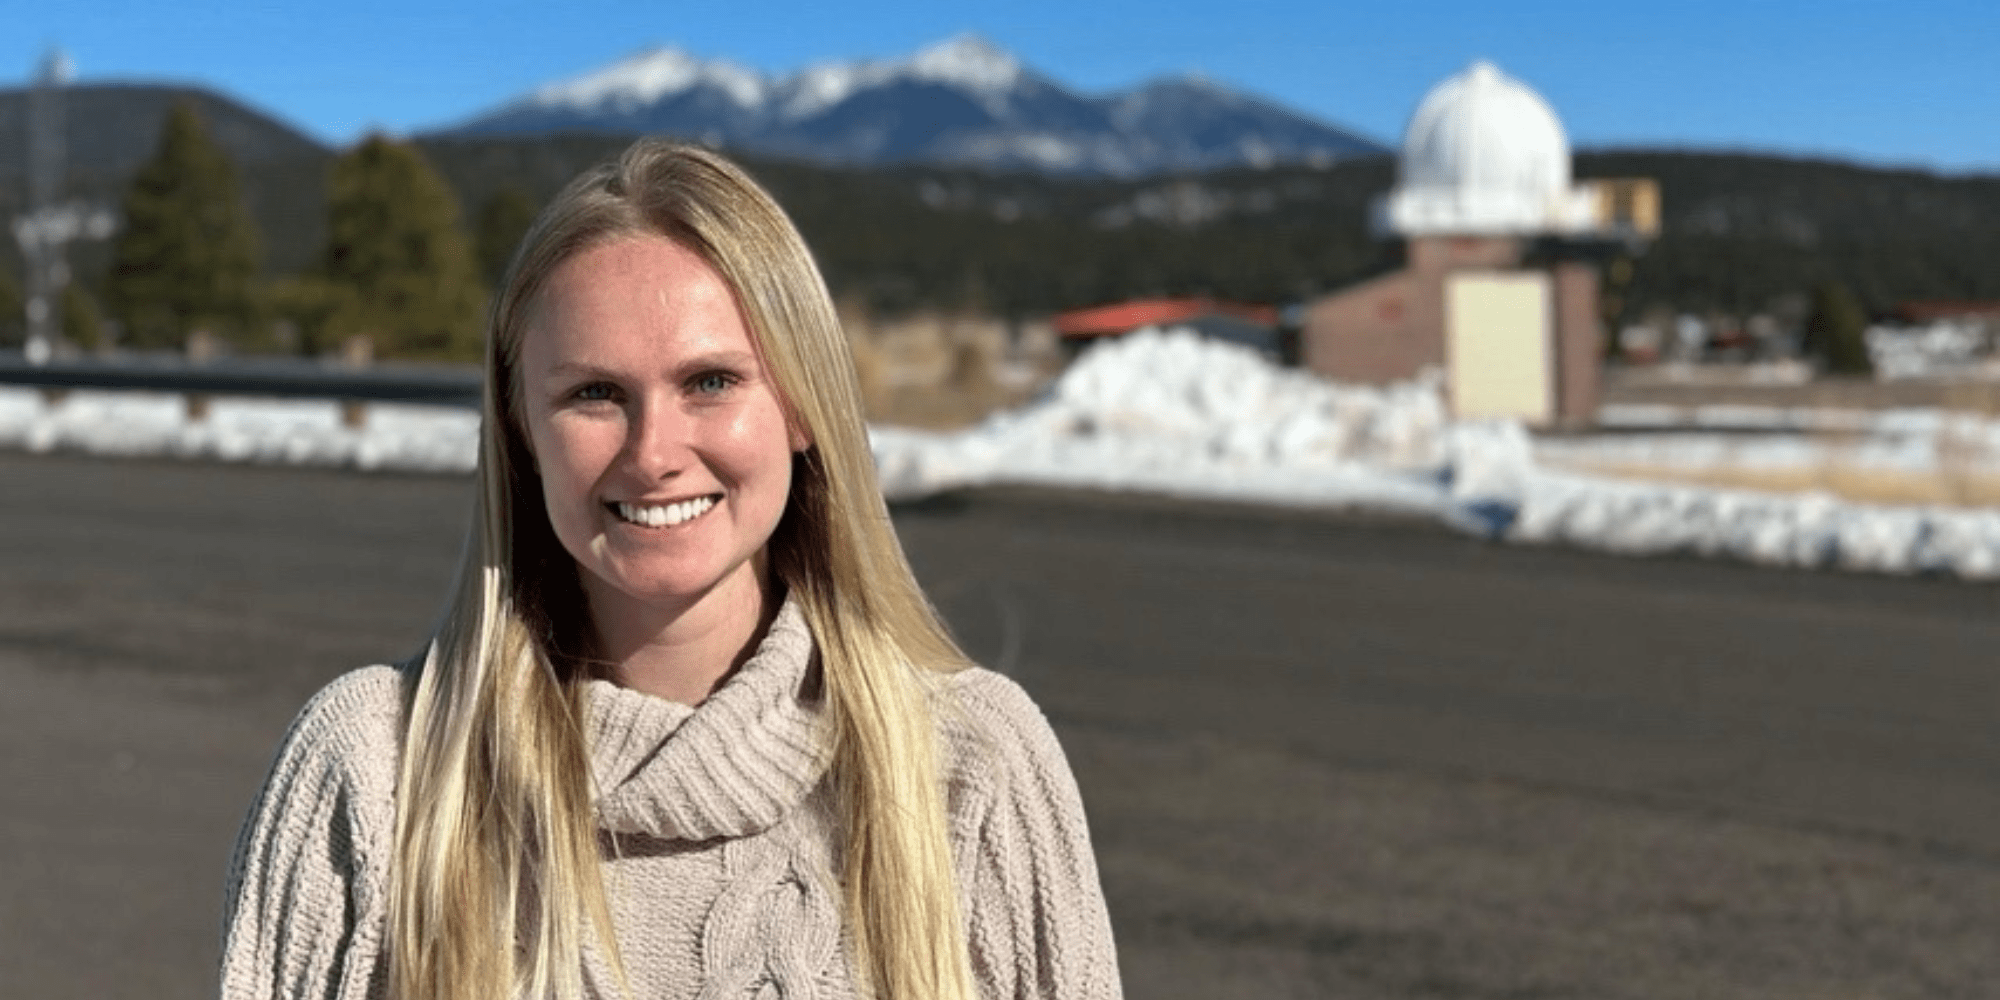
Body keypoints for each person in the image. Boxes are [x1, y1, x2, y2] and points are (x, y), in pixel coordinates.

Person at [220, 141, 1121, 1000]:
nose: (654, 454)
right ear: (523, 431)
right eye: (594, 394)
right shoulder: (374, 772)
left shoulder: (974, 768)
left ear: (804, 405)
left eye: (711, 382)